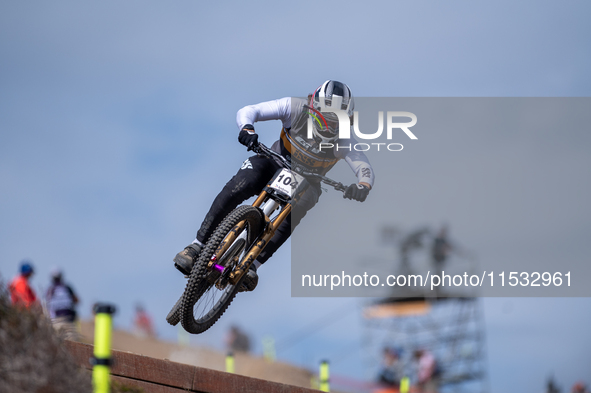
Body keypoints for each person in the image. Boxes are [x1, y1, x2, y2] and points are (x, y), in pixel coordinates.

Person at [173, 80, 375, 291]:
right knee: (239, 184)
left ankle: (253, 264)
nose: (331, 124)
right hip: (273, 160)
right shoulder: (294, 107)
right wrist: (247, 128)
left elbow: (365, 169)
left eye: (337, 120)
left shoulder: (345, 139)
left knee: (299, 208)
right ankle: (196, 246)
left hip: (309, 180)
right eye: (328, 117)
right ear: (314, 108)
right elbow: (249, 111)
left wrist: (362, 187)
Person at [46, 268, 80, 340]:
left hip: (56, 321)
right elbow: (77, 300)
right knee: (73, 345)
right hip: (68, 319)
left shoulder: (50, 289)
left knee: (57, 344)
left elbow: (47, 304)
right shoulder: (67, 287)